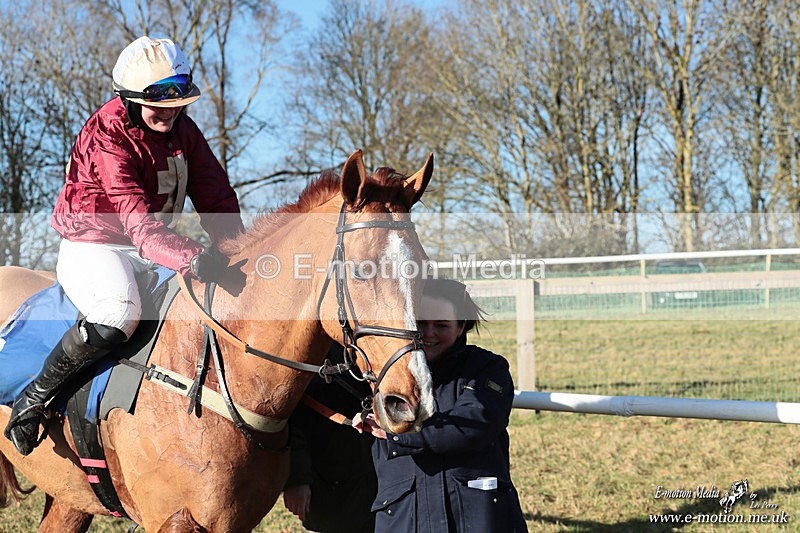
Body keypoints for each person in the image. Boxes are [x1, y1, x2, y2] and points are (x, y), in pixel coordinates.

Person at [4, 36, 244, 456]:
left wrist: (240, 250)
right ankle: (34, 400)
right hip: (93, 245)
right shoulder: (107, 133)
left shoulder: (185, 131)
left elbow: (217, 198)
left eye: (178, 103)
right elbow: (140, 228)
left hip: (151, 243)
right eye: (158, 105)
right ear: (129, 99)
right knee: (121, 312)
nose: (170, 113)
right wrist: (191, 256)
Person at [357, 278, 528, 532]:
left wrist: (397, 434)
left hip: (476, 516)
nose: (428, 334)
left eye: (441, 325)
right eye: (420, 324)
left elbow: (474, 425)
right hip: (404, 515)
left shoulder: (488, 368)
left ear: (461, 327)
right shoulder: (379, 373)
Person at [282, 345, 377, 533]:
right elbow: (291, 412)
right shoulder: (312, 343)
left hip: (384, 481)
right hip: (329, 482)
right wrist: (297, 478)